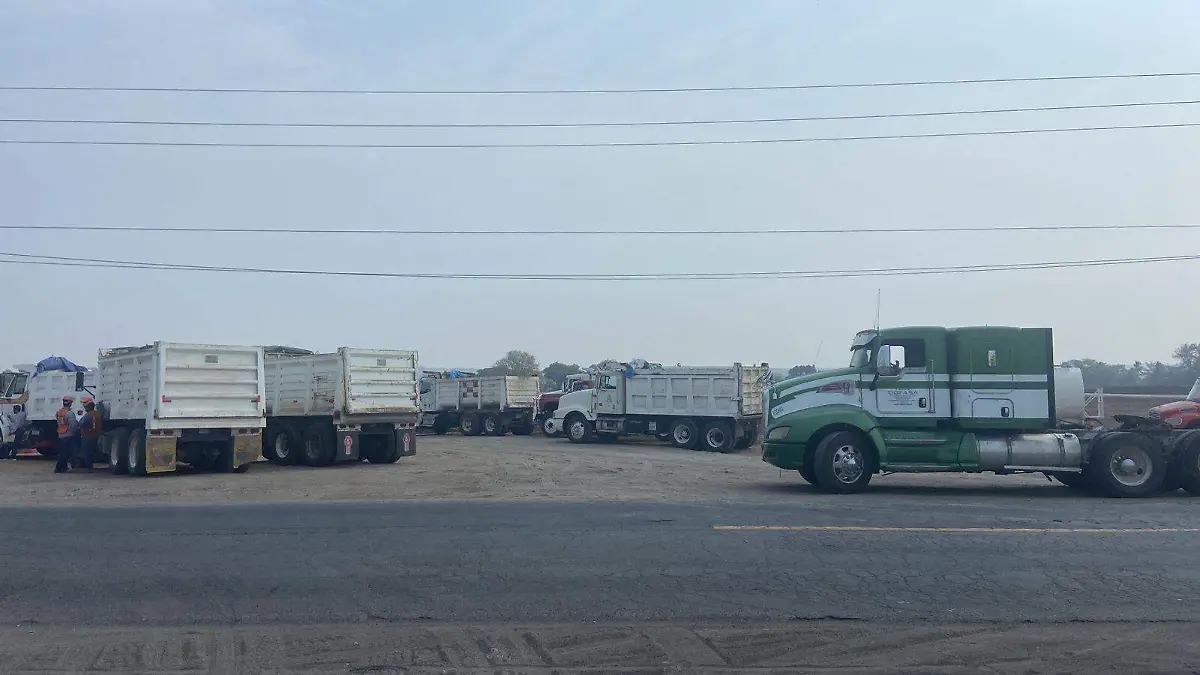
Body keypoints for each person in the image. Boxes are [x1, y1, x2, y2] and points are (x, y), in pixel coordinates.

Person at [54, 395, 79, 474]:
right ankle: (59, 468)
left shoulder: (59, 412)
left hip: (61, 434)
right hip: (68, 435)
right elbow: (73, 425)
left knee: (62, 452)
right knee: (66, 453)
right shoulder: (69, 413)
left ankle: (62, 467)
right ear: (70, 403)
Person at [77, 397, 102, 470]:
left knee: (86, 452)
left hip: (87, 435)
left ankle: (89, 467)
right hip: (96, 435)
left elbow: (81, 424)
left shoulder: (87, 415)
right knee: (91, 451)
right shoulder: (98, 414)